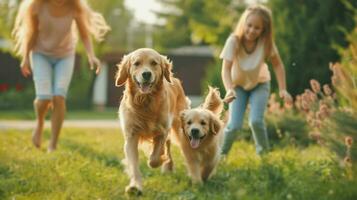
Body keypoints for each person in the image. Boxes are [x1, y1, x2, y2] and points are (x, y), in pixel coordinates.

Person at [12, 0, 110, 152]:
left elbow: (84, 35)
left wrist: (91, 56)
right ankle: (39, 123)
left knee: (59, 96)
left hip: (65, 56)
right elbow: (32, 33)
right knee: (44, 98)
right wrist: (25, 57)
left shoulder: (75, 8)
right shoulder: (37, 7)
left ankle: (53, 143)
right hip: (40, 54)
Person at [220, 4, 292, 155]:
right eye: (249, 25)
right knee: (234, 125)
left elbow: (278, 65)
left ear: (264, 30)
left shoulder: (266, 43)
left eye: (257, 28)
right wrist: (229, 89)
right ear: (244, 23)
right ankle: (221, 155)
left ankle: (263, 155)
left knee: (256, 121)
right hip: (237, 86)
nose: (252, 30)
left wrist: (283, 89)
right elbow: (226, 69)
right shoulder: (233, 41)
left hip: (260, 84)